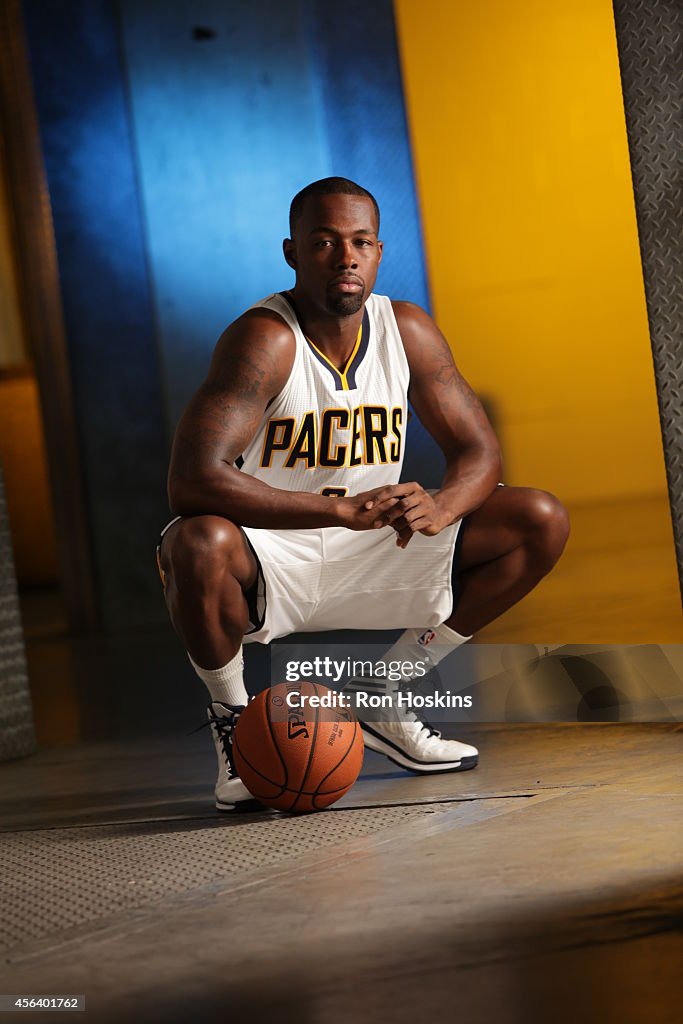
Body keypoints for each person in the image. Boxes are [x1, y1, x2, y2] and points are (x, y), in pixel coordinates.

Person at [157, 177, 569, 810]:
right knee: (196, 541)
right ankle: (236, 728)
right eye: (323, 242)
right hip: (277, 553)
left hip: (381, 542)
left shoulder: (406, 328)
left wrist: (442, 506)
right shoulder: (265, 339)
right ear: (292, 253)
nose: (344, 257)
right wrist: (335, 511)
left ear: (378, 252)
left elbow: (480, 451)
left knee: (538, 518)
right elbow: (192, 479)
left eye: (360, 241)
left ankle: (390, 694)